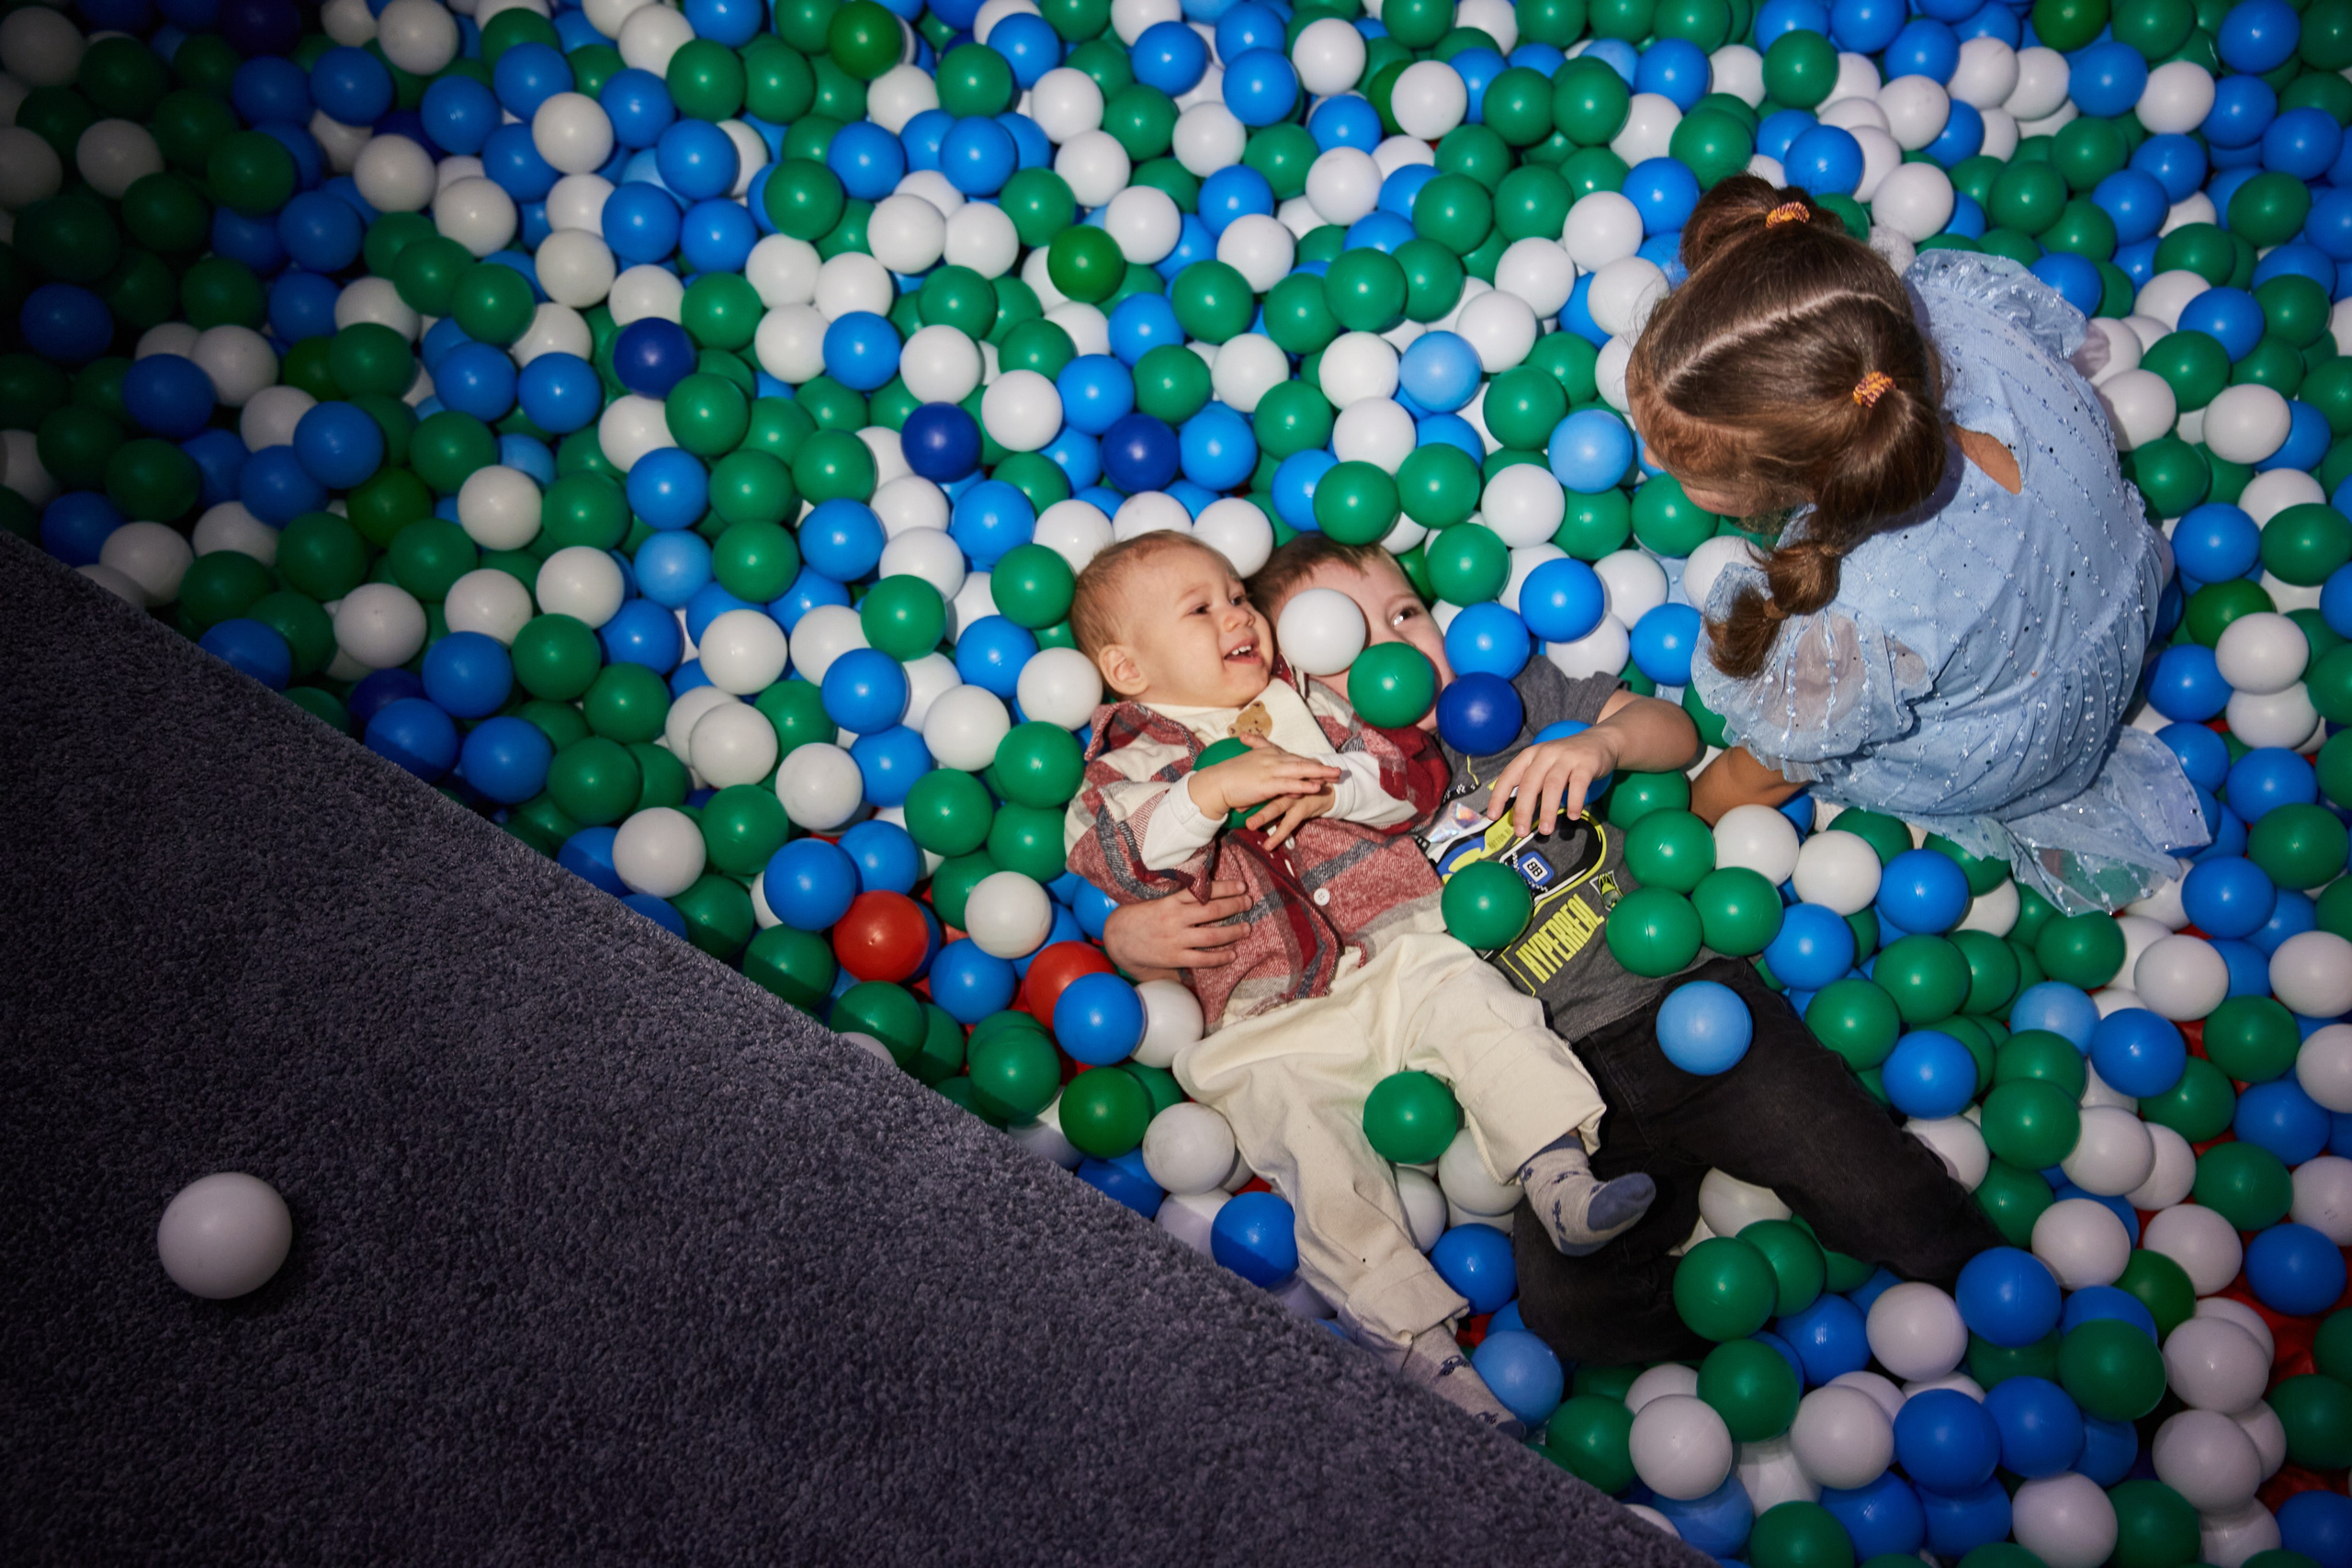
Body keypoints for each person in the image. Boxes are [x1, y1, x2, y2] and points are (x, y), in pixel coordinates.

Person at [1105, 536, 2004, 1366]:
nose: (1393, 649)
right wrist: (1130, 939)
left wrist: (1599, 742)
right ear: (1294, 686)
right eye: (1348, 643)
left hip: (1683, 1010)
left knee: (1878, 1189)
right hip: (1553, 1107)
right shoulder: (1308, 806)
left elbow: (1676, 734)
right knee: (1569, 1313)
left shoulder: (1507, 700)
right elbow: (1225, 925)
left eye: (1404, 615)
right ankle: (1765, 1366)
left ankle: (1988, 1305)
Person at [1060, 530, 1655, 1434]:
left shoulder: (1307, 697)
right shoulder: (1126, 763)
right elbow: (1108, 854)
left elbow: (1412, 778)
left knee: (1482, 1010)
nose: (1237, 615)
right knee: (1316, 1161)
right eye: (1202, 608)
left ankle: (1560, 1175)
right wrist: (1205, 798)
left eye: (1236, 595)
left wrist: (1339, 790)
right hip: (1263, 1016)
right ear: (1126, 667)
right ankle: (1425, 1356)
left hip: (1395, 948)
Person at [1633, 175, 2207, 911]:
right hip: (2099, 580)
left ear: (1802, 481)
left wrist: (1682, 821)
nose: (1653, 465)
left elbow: (1769, 769)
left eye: (1681, 469)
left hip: (2018, 730)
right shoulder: (1950, 326)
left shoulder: (1853, 608)